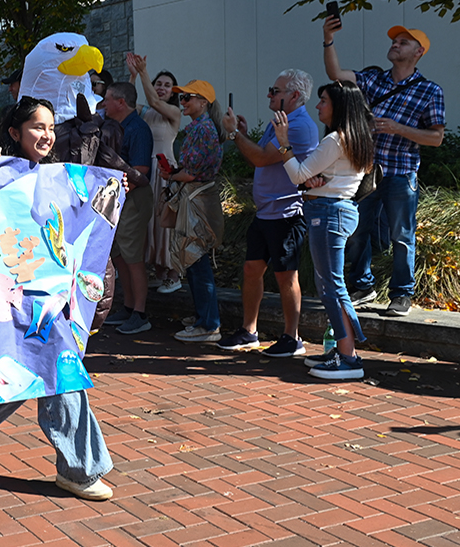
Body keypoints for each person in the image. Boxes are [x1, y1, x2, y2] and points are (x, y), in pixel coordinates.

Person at [0, 96, 115, 500]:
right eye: (37, 127)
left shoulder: (60, 177)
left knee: (53, 367)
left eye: (51, 127)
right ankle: (77, 468)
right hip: (8, 293)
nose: (47, 135)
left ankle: (76, 467)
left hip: (51, 297)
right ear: (15, 133)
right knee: (32, 367)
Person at [324, 19, 445, 317]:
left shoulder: (430, 90)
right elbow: (335, 74)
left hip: (401, 173)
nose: (395, 44)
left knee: (402, 235)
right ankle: (363, 286)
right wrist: (328, 39)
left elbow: (436, 137)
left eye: (403, 42)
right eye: (395, 40)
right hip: (365, 170)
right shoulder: (372, 80)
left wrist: (397, 128)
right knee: (357, 231)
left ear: (418, 52)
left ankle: (402, 294)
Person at [274, 81, 375, 380]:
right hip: (336, 211)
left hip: (328, 214)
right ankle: (343, 350)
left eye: (324, 100)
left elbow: (298, 174)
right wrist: (311, 180)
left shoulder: (336, 140)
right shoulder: (356, 138)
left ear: (340, 106)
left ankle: (349, 356)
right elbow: (314, 178)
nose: (318, 106)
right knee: (331, 285)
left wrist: (283, 143)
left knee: (332, 287)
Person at [218, 70, 319, 357]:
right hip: (266, 213)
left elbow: (260, 158)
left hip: (286, 212)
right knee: (251, 270)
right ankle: (249, 331)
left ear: (294, 95)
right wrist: (245, 134)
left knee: (286, 276)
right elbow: (260, 157)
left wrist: (235, 134)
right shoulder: (281, 121)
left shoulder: (298, 126)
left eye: (275, 91)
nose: (269, 95)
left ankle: (292, 337)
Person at [159, 80, 225, 343]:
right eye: (182, 98)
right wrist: (176, 174)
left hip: (197, 200)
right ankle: (203, 318)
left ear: (203, 101)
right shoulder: (202, 127)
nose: (183, 102)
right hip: (198, 198)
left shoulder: (203, 130)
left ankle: (208, 323)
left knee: (196, 260)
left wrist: (174, 175)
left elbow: (192, 172)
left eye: (188, 97)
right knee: (195, 260)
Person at [99, 82, 154, 335]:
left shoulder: (138, 129)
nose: (103, 104)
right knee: (119, 254)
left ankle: (141, 313)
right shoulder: (113, 126)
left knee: (133, 257)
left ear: (121, 102)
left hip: (134, 197)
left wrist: (123, 188)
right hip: (119, 197)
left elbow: (141, 171)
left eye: (107, 99)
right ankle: (129, 306)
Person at [126, 54, 182, 294]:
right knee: (149, 224)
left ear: (173, 92)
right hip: (146, 171)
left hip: (165, 171)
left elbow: (154, 102)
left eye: (166, 85)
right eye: (158, 83)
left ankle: (174, 274)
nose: (161, 88)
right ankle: (159, 272)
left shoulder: (173, 112)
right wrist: (133, 75)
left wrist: (145, 72)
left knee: (165, 222)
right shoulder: (144, 110)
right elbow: (126, 102)